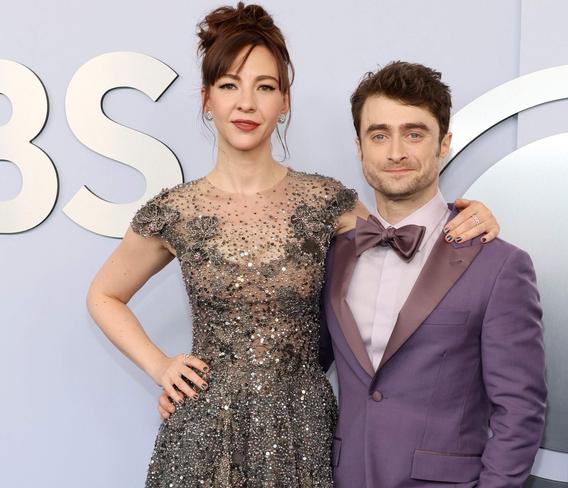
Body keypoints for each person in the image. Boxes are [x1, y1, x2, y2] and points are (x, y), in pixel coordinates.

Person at [87, 4, 499, 487]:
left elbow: (407, 238)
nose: (246, 104)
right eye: (229, 86)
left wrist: (473, 216)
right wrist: (161, 367)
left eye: (264, 87)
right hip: (202, 431)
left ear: (284, 101)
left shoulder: (327, 202)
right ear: (205, 99)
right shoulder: (176, 210)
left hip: (301, 427)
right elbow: (103, 295)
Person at [318, 62, 545, 488]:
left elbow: (520, 411)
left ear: (444, 144)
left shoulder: (499, 266)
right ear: (359, 146)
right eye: (379, 134)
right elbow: (298, 363)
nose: (396, 152)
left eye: (415, 133)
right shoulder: (333, 256)